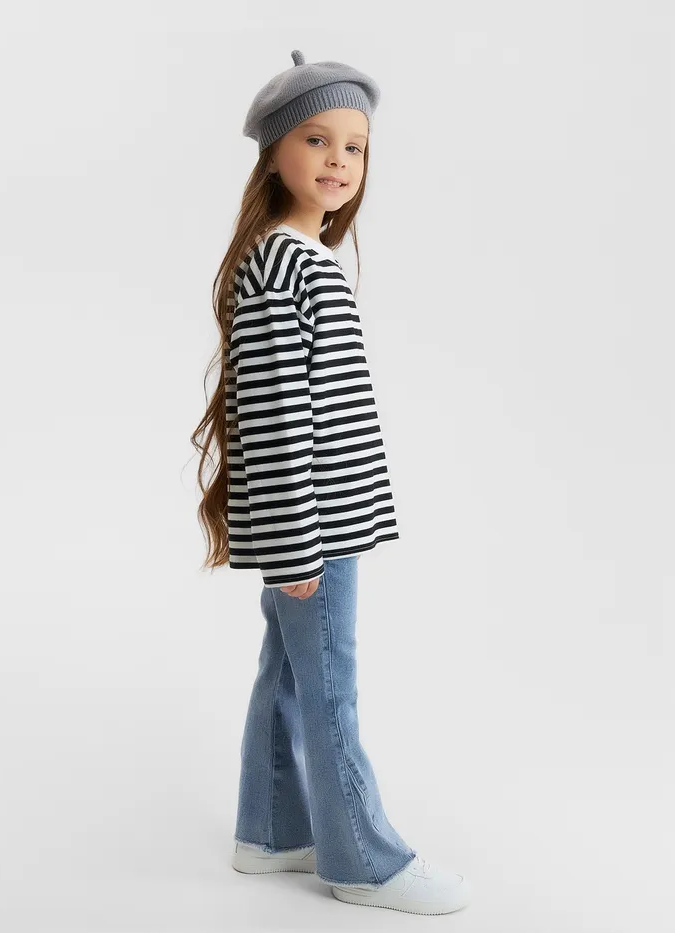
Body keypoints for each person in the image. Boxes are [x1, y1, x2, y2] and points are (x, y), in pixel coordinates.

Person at [191, 49, 472, 916]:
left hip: (325, 522)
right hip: (313, 531)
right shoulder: (285, 264)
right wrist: (296, 548)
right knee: (328, 686)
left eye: (356, 146)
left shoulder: (305, 257)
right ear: (274, 150)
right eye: (317, 139)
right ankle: (363, 860)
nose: (339, 161)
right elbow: (277, 417)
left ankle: (271, 830)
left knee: (288, 670)